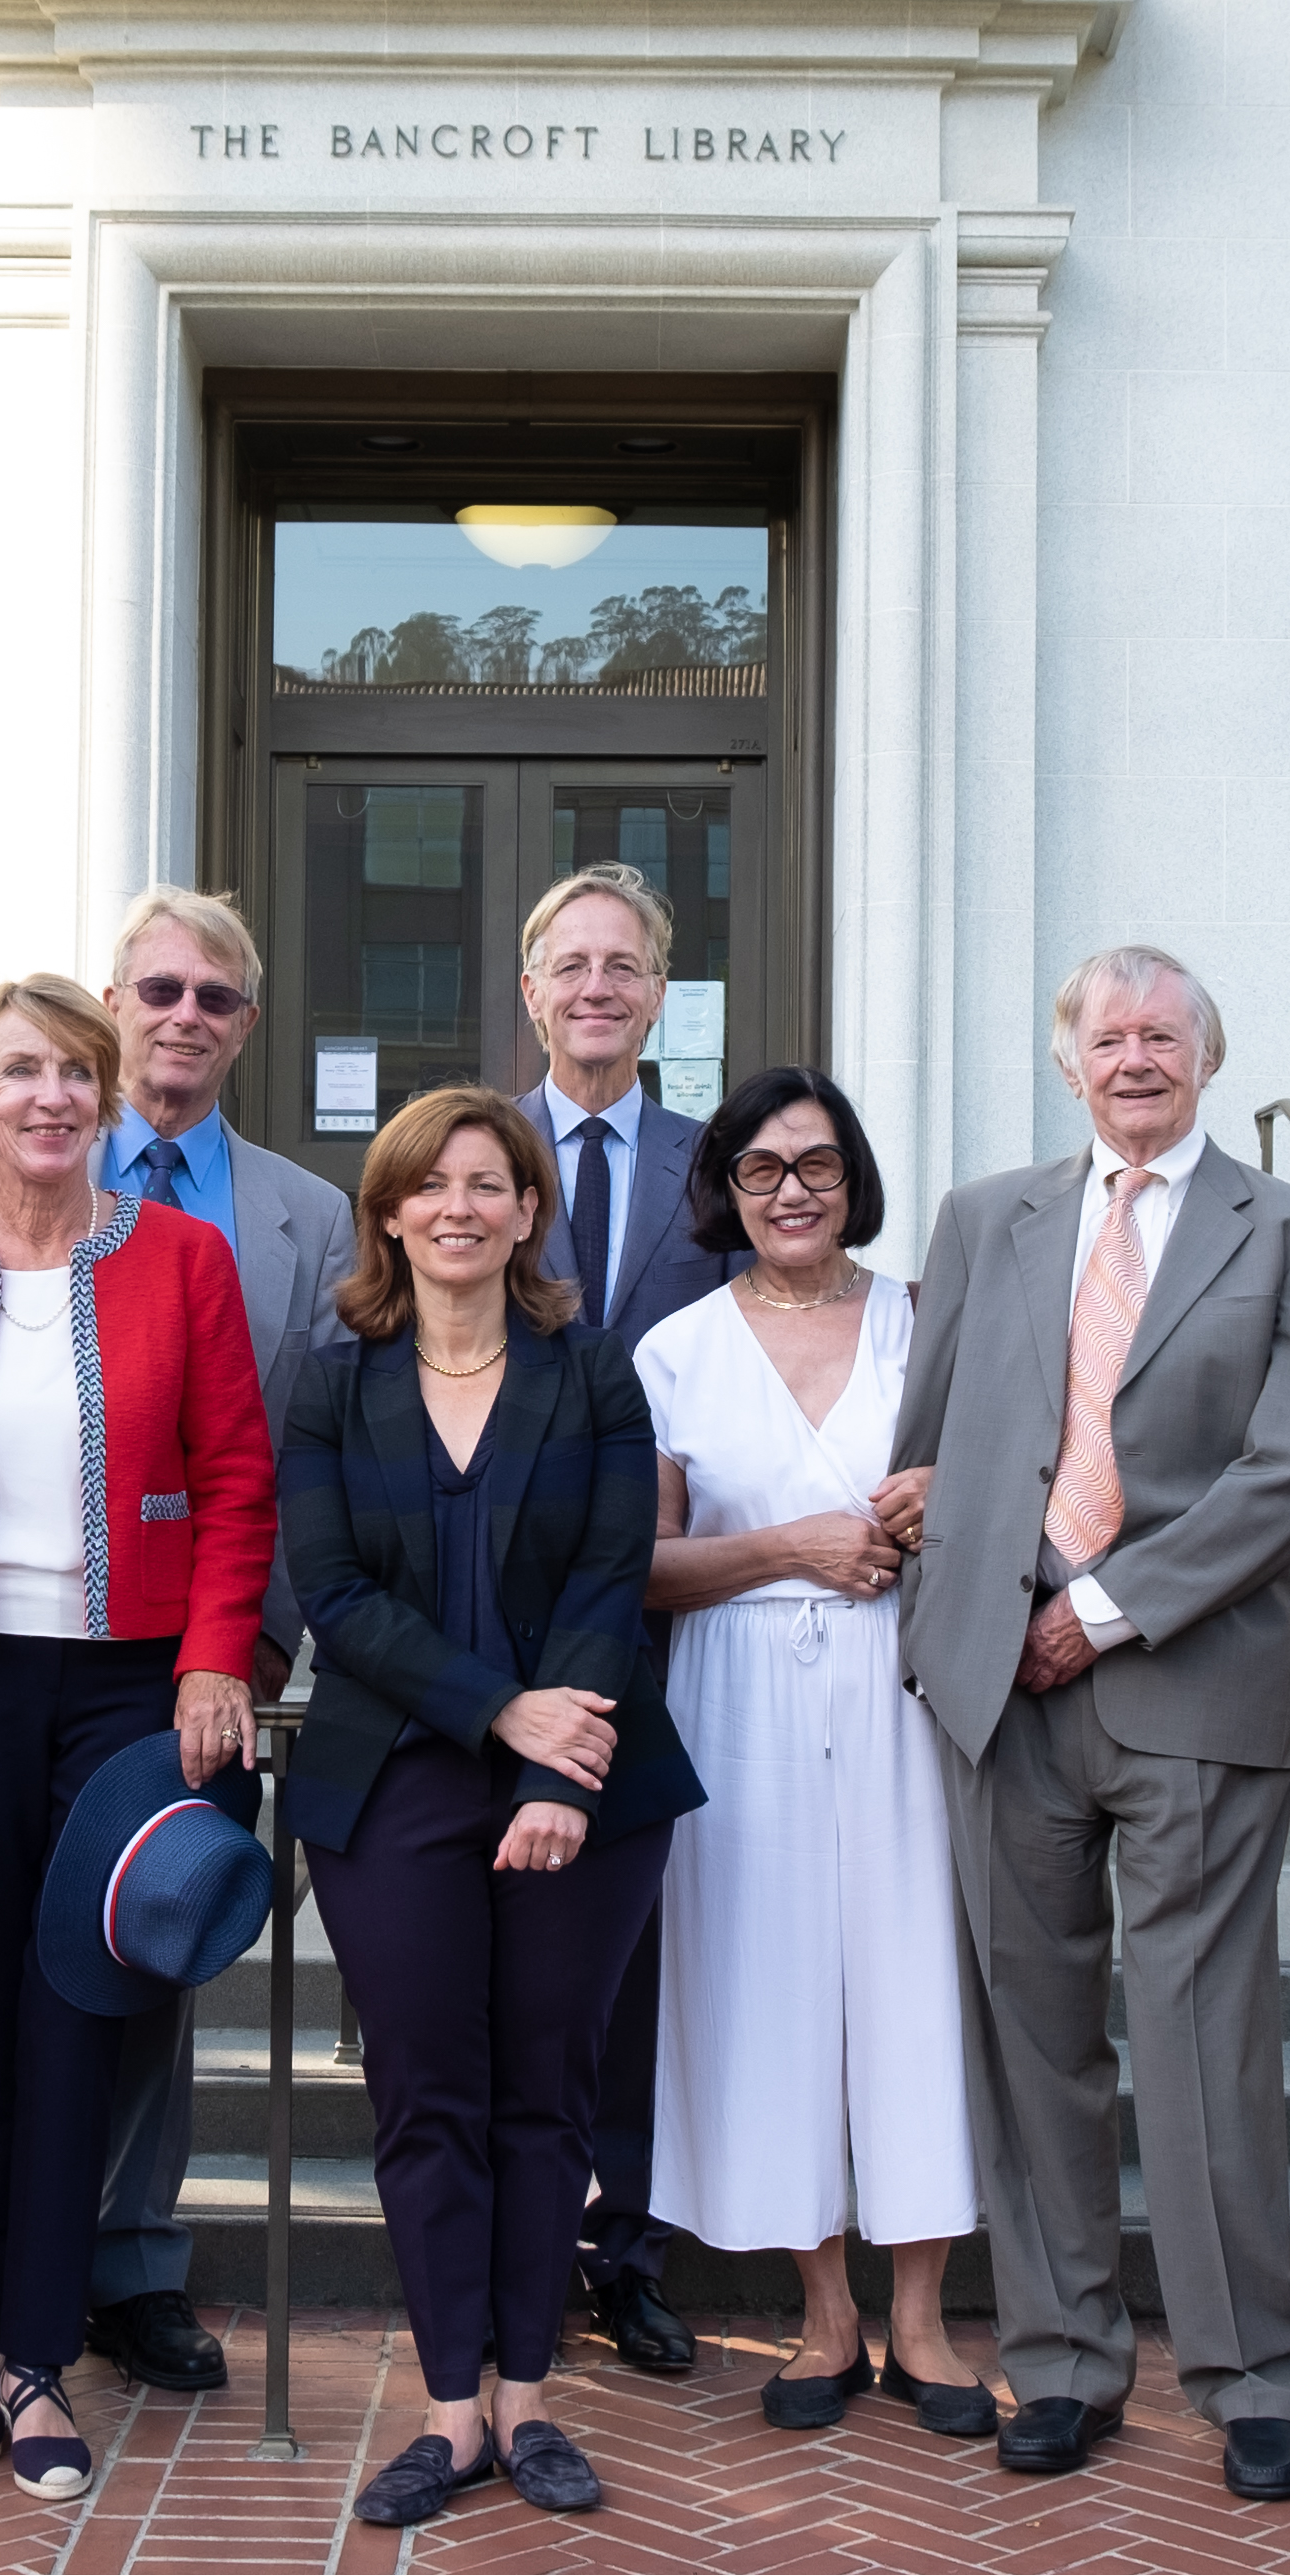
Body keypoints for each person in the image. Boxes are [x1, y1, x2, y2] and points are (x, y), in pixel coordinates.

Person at [892, 946, 1290, 2502]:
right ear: (1066, 1060)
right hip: (998, 1695)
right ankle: (1068, 2355)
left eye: (1165, 1035)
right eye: (1110, 1035)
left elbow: (1287, 1478)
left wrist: (1093, 1611)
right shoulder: (984, 1220)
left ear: (1208, 1060)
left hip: (1188, 1680)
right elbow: (932, 1443)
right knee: (1033, 2038)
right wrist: (951, 1624)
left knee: (1200, 2036)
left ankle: (1253, 2374)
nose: (1136, 1057)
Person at [0, 974, 274, 2506]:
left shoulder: (184, 1255)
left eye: (74, 1075)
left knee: (76, 2006)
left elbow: (236, 1479)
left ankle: (36, 2353)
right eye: (20, 1072)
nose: (49, 1098)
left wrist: (214, 1661)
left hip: (124, 1684)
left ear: (106, 1097)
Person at [0, 885, 350, 2394]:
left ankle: (123, 2265)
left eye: (215, 998)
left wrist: (241, 1649)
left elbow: (279, 1459)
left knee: (140, 1961)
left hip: (202, 1661)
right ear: (113, 1010)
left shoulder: (292, 1218)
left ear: (244, 1023)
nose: (183, 1017)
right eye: (156, 990)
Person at [279, 1086, 703, 2530]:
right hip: (392, 1775)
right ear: (389, 1213)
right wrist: (492, 1711)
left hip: (585, 1783)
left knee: (548, 2090)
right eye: (430, 1184)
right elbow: (336, 1598)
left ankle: (529, 2396)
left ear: (531, 1211)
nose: (459, 1206)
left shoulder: (594, 1380)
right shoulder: (334, 1388)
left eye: (490, 1182)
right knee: (426, 2093)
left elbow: (605, 1579)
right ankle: (450, 2409)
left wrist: (548, 1767)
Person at [636, 1067, 983, 2436]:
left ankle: (922, 2315)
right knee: (766, 1986)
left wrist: (945, 1497)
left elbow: (1012, 1485)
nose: (793, 1191)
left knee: (911, 1983)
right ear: (726, 1188)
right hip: (735, 1690)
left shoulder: (921, 1323)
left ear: (857, 1180)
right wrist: (788, 1546)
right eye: (765, 1168)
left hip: (902, 1682)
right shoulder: (676, 1351)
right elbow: (644, 1567)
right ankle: (823, 2312)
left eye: (820, 1166)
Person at [511, 860, 742, 2373]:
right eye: (571, 965)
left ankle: (626, 2243)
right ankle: (509, 2237)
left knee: (634, 1946)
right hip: (499, 1602)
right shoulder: (470, 1153)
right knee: (502, 1935)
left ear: (659, 992)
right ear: (531, 990)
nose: (597, 988)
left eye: (624, 966)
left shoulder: (713, 1162)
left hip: (661, 1605)